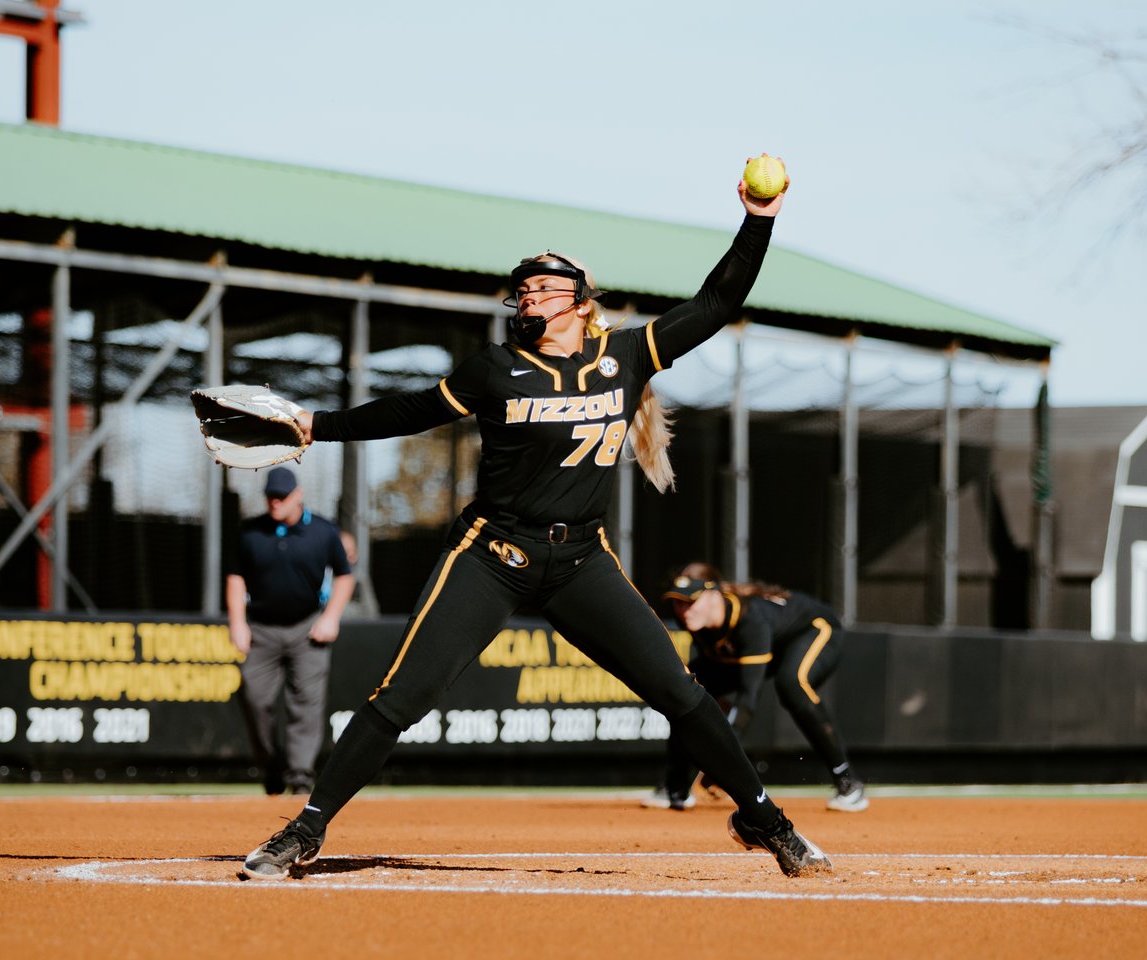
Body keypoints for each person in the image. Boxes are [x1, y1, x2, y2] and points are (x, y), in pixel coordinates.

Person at [241, 161, 833, 880]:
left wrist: (757, 221)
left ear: (582, 304)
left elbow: (718, 301)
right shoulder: (497, 368)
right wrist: (313, 425)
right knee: (401, 697)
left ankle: (763, 818)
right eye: (522, 288)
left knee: (681, 692)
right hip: (491, 553)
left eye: (545, 287)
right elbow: (406, 411)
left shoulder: (624, 357)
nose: (528, 296)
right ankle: (305, 829)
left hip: (580, 561)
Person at [643, 562, 868, 812]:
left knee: (793, 684)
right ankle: (674, 787)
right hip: (764, 644)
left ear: (714, 595)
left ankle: (848, 783)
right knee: (683, 690)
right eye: (678, 602)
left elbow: (748, 698)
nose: (684, 610)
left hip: (814, 630)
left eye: (691, 601)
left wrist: (722, 761)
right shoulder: (692, 619)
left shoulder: (750, 620)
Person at [227, 466, 354, 795]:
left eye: (281, 497)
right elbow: (236, 577)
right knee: (254, 698)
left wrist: (332, 617)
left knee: (306, 704)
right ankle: (272, 767)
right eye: (270, 496)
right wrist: (237, 622)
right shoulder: (251, 532)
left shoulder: (324, 531)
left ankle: (300, 775)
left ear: (298, 496)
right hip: (261, 629)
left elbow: (344, 574)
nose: (275, 502)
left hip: (306, 628)